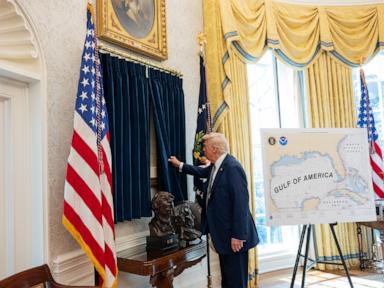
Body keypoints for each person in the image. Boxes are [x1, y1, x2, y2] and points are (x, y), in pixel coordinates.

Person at [168, 132, 259, 288]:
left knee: (236, 281)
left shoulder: (232, 168)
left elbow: (241, 203)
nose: (203, 150)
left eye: (205, 147)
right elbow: (201, 171)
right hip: (223, 235)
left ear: (215, 149)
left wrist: (238, 235)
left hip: (234, 237)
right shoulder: (218, 166)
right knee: (228, 279)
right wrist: (180, 165)